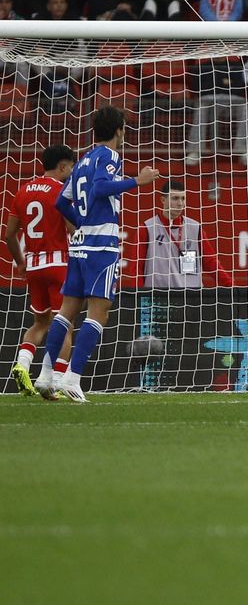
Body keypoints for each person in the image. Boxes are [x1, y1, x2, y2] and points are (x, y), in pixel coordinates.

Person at [38, 107, 160, 403]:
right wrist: (137, 181)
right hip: (101, 244)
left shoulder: (83, 160)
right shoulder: (110, 156)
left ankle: (45, 375)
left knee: (66, 311)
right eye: (124, 128)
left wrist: (80, 222)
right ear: (119, 130)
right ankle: (73, 378)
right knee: (99, 311)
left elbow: (61, 201)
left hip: (80, 244)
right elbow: (102, 187)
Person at [4, 145, 75, 399]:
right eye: (71, 167)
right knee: (65, 326)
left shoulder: (23, 191)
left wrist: (21, 262)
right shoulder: (61, 191)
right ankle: (54, 381)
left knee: (40, 323)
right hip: (58, 265)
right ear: (62, 166)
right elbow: (72, 229)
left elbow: (9, 235)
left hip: (34, 267)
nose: (71, 172)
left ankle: (22, 365)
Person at [125, 181, 234, 290]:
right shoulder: (147, 228)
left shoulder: (195, 228)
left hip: (191, 295)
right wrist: (138, 295)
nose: (180, 203)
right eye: (175, 198)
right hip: (158, 295)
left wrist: (232, 288)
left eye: (183, 198)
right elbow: (137, 268)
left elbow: (210, 262)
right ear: (163, 200)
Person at [188, 57, 248, 165]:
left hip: (230, 101)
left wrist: (217, 85)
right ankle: (195, 151)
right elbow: (197, 88)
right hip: (209, 101)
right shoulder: (201, 67)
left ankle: (244, 151)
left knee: (244, 105)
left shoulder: (235, 66)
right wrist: (224, 84)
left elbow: (239, 87)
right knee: (201, 106)